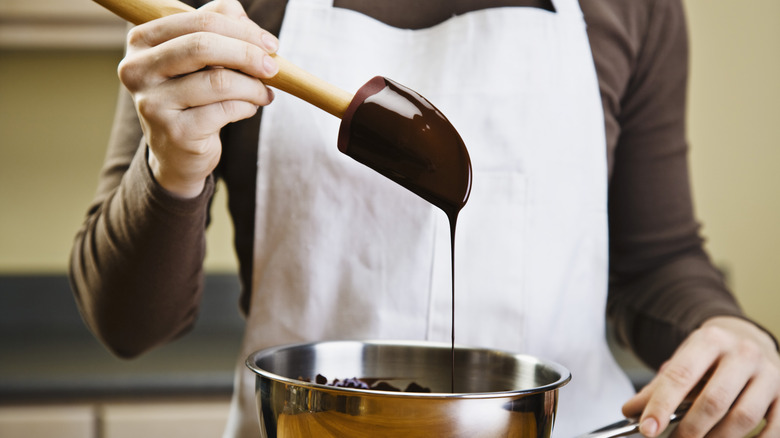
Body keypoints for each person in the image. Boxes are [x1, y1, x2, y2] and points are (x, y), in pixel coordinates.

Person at [70, 0, 780, 436]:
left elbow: (655, 261)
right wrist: (174, 166)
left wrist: (729, 332)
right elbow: (128, 325)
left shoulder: (632, 6)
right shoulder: (216, 11)